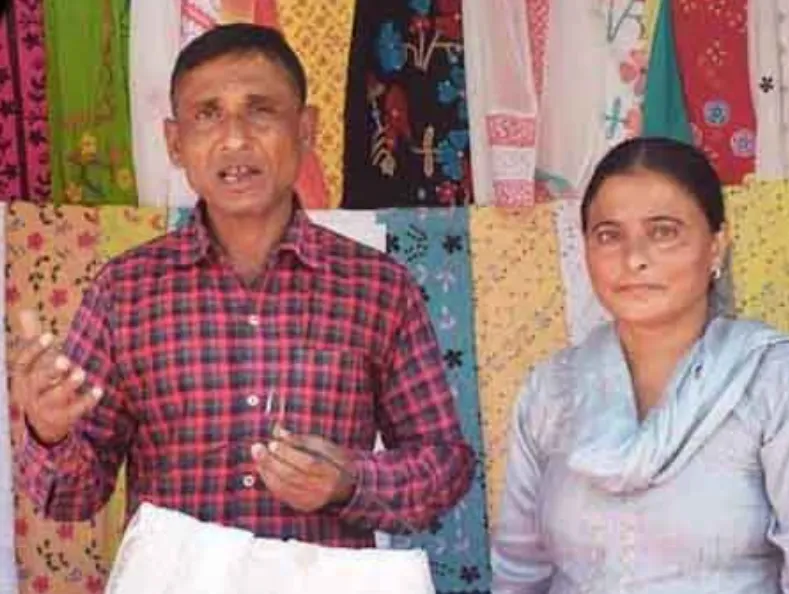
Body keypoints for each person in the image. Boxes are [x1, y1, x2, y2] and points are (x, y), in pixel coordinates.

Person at [8, 23, 474, 548]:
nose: (234, 138)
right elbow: (72, 499)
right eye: (207, 114)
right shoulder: (125, 291)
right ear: (175, 142)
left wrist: (350, 482)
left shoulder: (379, 288)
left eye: (260, 110)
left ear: (305, 129)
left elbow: (446, 466)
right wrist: (49, 431)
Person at [490, 137, 789, 593]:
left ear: (716, 245)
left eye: (664, 231)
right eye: (609, 235)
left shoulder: (782, 388)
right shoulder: (551, 391)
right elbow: (518, 574)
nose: (634, 258)